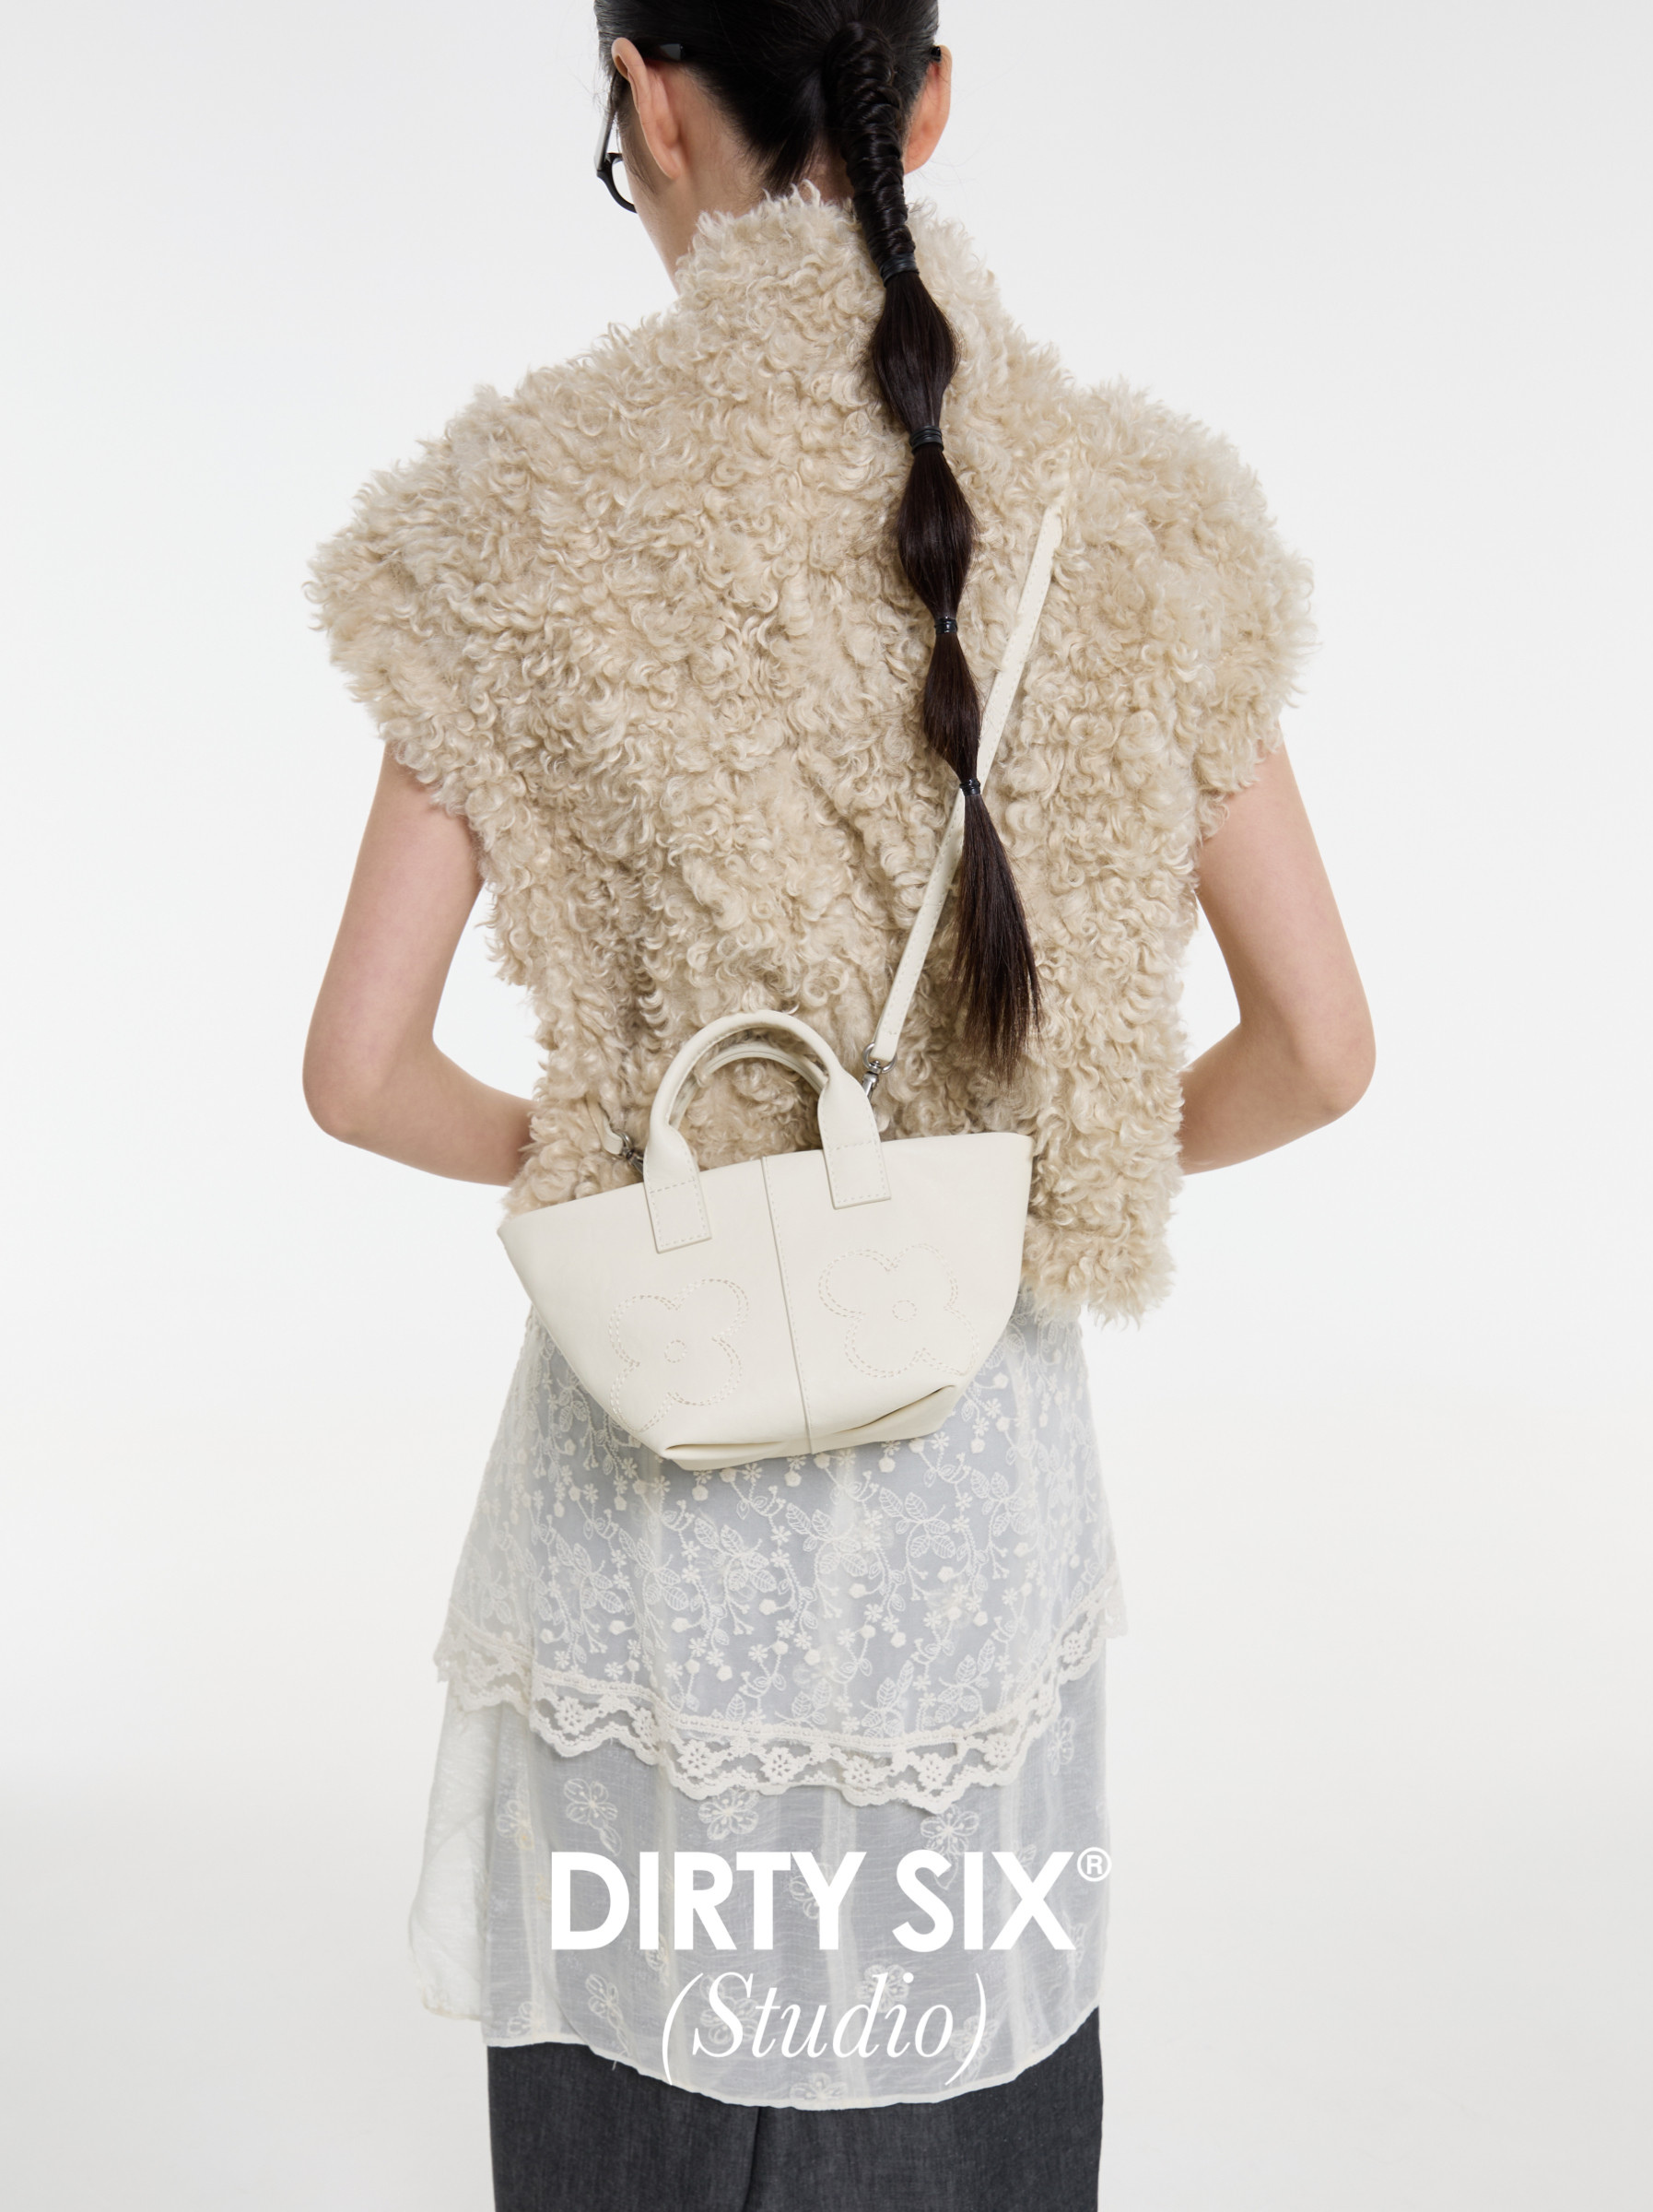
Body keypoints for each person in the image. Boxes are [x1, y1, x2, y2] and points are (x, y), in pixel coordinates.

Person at [304, 7, 1374, 2207]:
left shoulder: (505, 527)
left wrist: (626, 1182)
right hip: (969, 1558)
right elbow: (1322, 1047)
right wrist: (1019, 1181)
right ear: (928, 99)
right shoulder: (1142, 513)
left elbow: (361, 1069)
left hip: (648, 1532)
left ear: (646, 96)